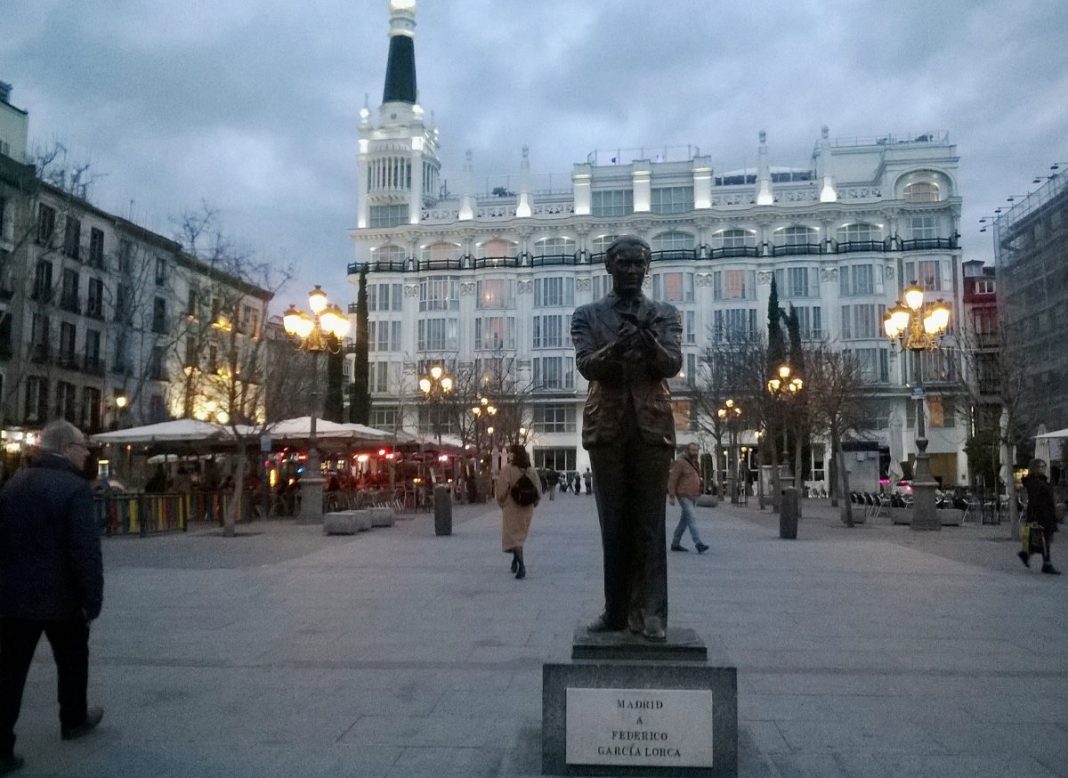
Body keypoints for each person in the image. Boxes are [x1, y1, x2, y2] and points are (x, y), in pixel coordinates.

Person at [572, 235, 683, 642]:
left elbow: (672, 364)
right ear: (609, 266)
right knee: (613, 525)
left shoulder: (664, 314)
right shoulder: (587, 315)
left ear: (647, 268)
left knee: (651, 524)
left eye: (640, 264)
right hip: (607, 427)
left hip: (652, 427)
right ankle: (616, 611)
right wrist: (617, 349)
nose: (633, 270)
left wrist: (649, 342)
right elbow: (586, 366)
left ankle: (653, 613)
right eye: (625, 263)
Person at [0, 420, 105, 773]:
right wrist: (93, 598)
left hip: (13, 600)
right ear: (65, 448)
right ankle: (73, 719)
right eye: (82, 447)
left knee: (9, 674)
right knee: (73, 660)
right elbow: (84, 549)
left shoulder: (14, 484)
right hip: (63, 599)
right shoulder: (74, 488)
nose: (86, 452)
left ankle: (1, 748)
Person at [496, 444, 541, 580]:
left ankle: (521, 565)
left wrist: (501, 502)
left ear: (514, 455)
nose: (509, 455)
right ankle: (515, 561)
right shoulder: (531, 471)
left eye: (510, 453)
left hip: (511, 507)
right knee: (519, 535)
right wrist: (534, 503)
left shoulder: (507, 470)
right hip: (527, 507)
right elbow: (538, 489)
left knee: (513, 536)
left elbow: (501, 491)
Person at [1019, 459, 1060, 574]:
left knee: (1042, 539)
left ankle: (1027, 555)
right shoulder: (1032, 482)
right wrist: (1036, 517)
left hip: (1046, 513)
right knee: (1043, 539)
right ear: (1034, 468)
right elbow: (1036, 499)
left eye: (1043, 467)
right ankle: (1046, 564)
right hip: (1040, 514)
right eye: (1039, 467)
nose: (1042, 469)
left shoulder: (1041, 480)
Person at [668, 443, 709, 554]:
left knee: (684, 521)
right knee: (692, 517)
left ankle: (675, 543)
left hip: (693, 495)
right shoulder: (680, 462)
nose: (695, 452)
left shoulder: (695, 462)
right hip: (683, 494)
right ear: (687, 450)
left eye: (696, 450)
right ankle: (698, 543)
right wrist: (671, 495)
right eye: (693, 450)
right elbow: (673, 478)